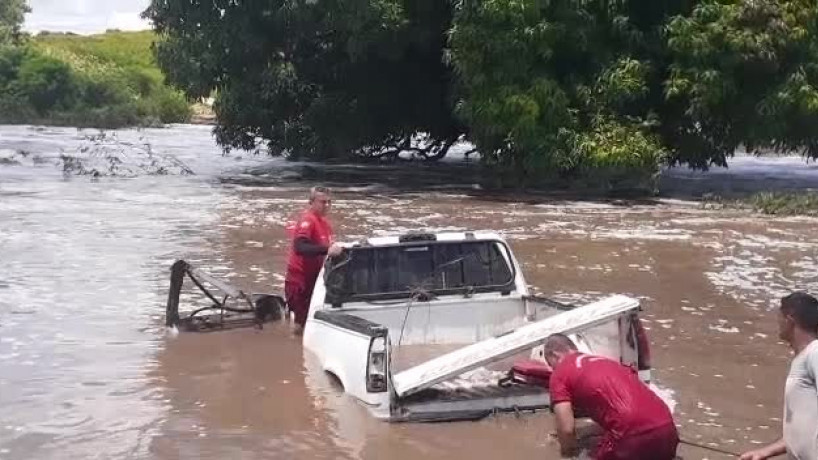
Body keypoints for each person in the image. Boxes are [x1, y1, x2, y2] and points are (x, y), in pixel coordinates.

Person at [543, 333, 678, 459]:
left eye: (550, 365)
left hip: (632, 439)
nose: (552, 369)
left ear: (555, 355)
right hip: (667, 429)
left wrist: (567, 453)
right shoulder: (606, 361)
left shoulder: (560, 373)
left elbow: (566, 429)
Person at [740, 291, 818, 460]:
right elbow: (803, 427)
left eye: (779, 319)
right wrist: (766, 451)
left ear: (789, 321)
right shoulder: (802, 358)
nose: (778, 324)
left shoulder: (815, 352)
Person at [284, 186, 342, 334]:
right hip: (300, 281)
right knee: (300, 324)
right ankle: (294, 351)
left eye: (329, 202)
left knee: (309, 321)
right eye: (323, 202)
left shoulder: (325, 224)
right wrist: (326, 249)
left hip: (314, 280)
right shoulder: (308, 220)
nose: (327, 205)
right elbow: (300, 246)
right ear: (311, 202)